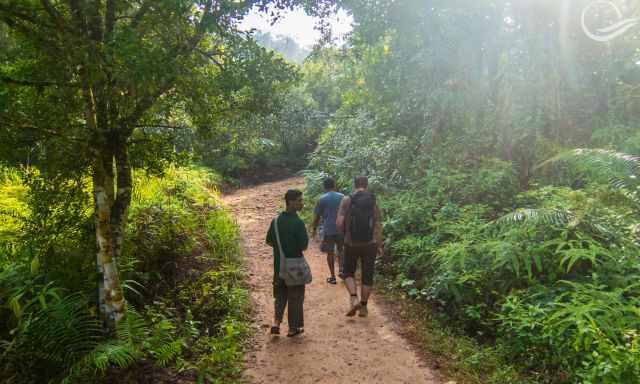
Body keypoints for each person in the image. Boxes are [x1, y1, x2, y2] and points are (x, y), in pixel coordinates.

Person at [336, 176, 383, 318]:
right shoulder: (373, 200)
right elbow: (378, 223)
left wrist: (343, 236)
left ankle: (354, 297)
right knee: (367, 275)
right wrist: (379, 243)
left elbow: (339, 223)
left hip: (351, 243)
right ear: (366, 185)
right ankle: (363, 307)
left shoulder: (347, 199)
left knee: (348, 272)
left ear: (355, 184)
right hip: (370, 243)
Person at [266, 189, 308, 337]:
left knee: (280, 295)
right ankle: (293, 328)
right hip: (294, 268)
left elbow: (269, 241)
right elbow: (304, 246)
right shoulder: (298, 222)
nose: (302, 203)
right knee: (295, 296)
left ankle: (276, 323)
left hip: (279, 267)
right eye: (299, 201)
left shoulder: (276, 221)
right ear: (290, 202)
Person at [311, 177, 345, 285]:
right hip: (341, 229)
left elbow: (316, 217)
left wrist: (314, 229)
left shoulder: (322, 199)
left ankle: (333, 277)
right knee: (341, 250)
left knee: (330, 253)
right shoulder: (342, 197)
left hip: (328, 229)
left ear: (324, 187)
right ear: (334, 185)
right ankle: (342, 271)